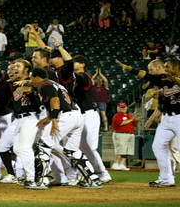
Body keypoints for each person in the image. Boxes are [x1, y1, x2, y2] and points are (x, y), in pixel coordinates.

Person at [30, 67, 101, 189]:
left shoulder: (44, 84)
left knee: (42, 146)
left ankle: (39, 182)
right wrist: (48, 118)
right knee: (72, 151)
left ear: (37, 77)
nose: (31, 81)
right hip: (76, 116)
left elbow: (55, 100)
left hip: (64, 116)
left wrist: (54, 121)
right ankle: (92, 179)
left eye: (31, 78)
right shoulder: (54, 84)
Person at [117, 58, 179, 186]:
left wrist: (175, 80)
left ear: (177, 67)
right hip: (167, 118)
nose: (166, 69)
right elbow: (145, 75)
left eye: (168, 67)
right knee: (158, 145)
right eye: (165, 67)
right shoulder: (163, 78)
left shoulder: (174, 79)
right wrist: (129, 69)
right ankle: (166, 178)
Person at [73, 55, 112, 183]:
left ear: (82, 64)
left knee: (89, 147)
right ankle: (85, 173)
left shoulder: (85, 76)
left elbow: (76, 78)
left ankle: (103, 173)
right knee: (77, 147)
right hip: (79, 115)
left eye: (75, 62)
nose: (73, 63)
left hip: (89, 114)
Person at [111, 102, 140, 171]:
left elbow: (134, 124)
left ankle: (122, 164)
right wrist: (131, 120)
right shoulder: (117, 116)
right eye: (121, 107)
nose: (123, 109)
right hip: (120, 134)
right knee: (120, 149)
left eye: (124, 107)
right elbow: (121, 123)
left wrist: (137, 121)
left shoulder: (129, 116)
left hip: (130, 134)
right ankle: (115, 163)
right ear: (118, 109)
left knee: (127, 150)